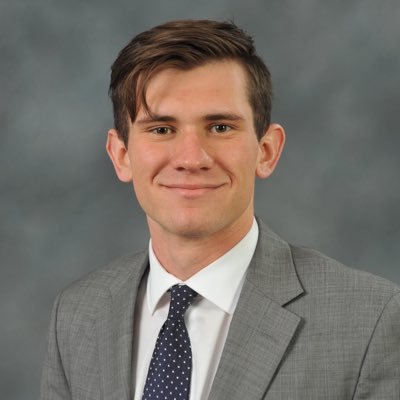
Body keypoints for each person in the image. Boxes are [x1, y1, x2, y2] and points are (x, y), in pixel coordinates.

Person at [40, 20, 400, 400]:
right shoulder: (77, 314)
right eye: (161, 129)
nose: (191, 158)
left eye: (220, 127)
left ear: (266, 151)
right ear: (122, 155)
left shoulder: (371, 320)